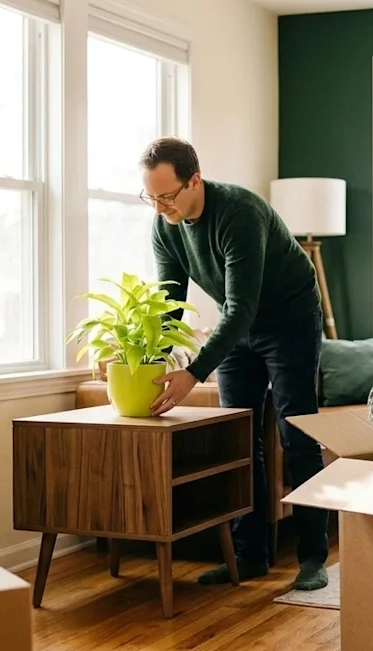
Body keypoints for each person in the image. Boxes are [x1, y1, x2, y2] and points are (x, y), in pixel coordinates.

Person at [139, 137, 331, 590]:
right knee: (239, 437)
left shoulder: (238, 212)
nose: (161, 207)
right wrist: (150, 360)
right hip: (237, 327)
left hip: (289, 320)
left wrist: (193, 372)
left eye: (168, 196)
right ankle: (249, 557)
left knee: (296, 433)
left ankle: (313, 558)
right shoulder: (164, 226)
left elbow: (241, 305)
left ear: (195, 181)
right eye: (151, 197)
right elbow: (170, 303)